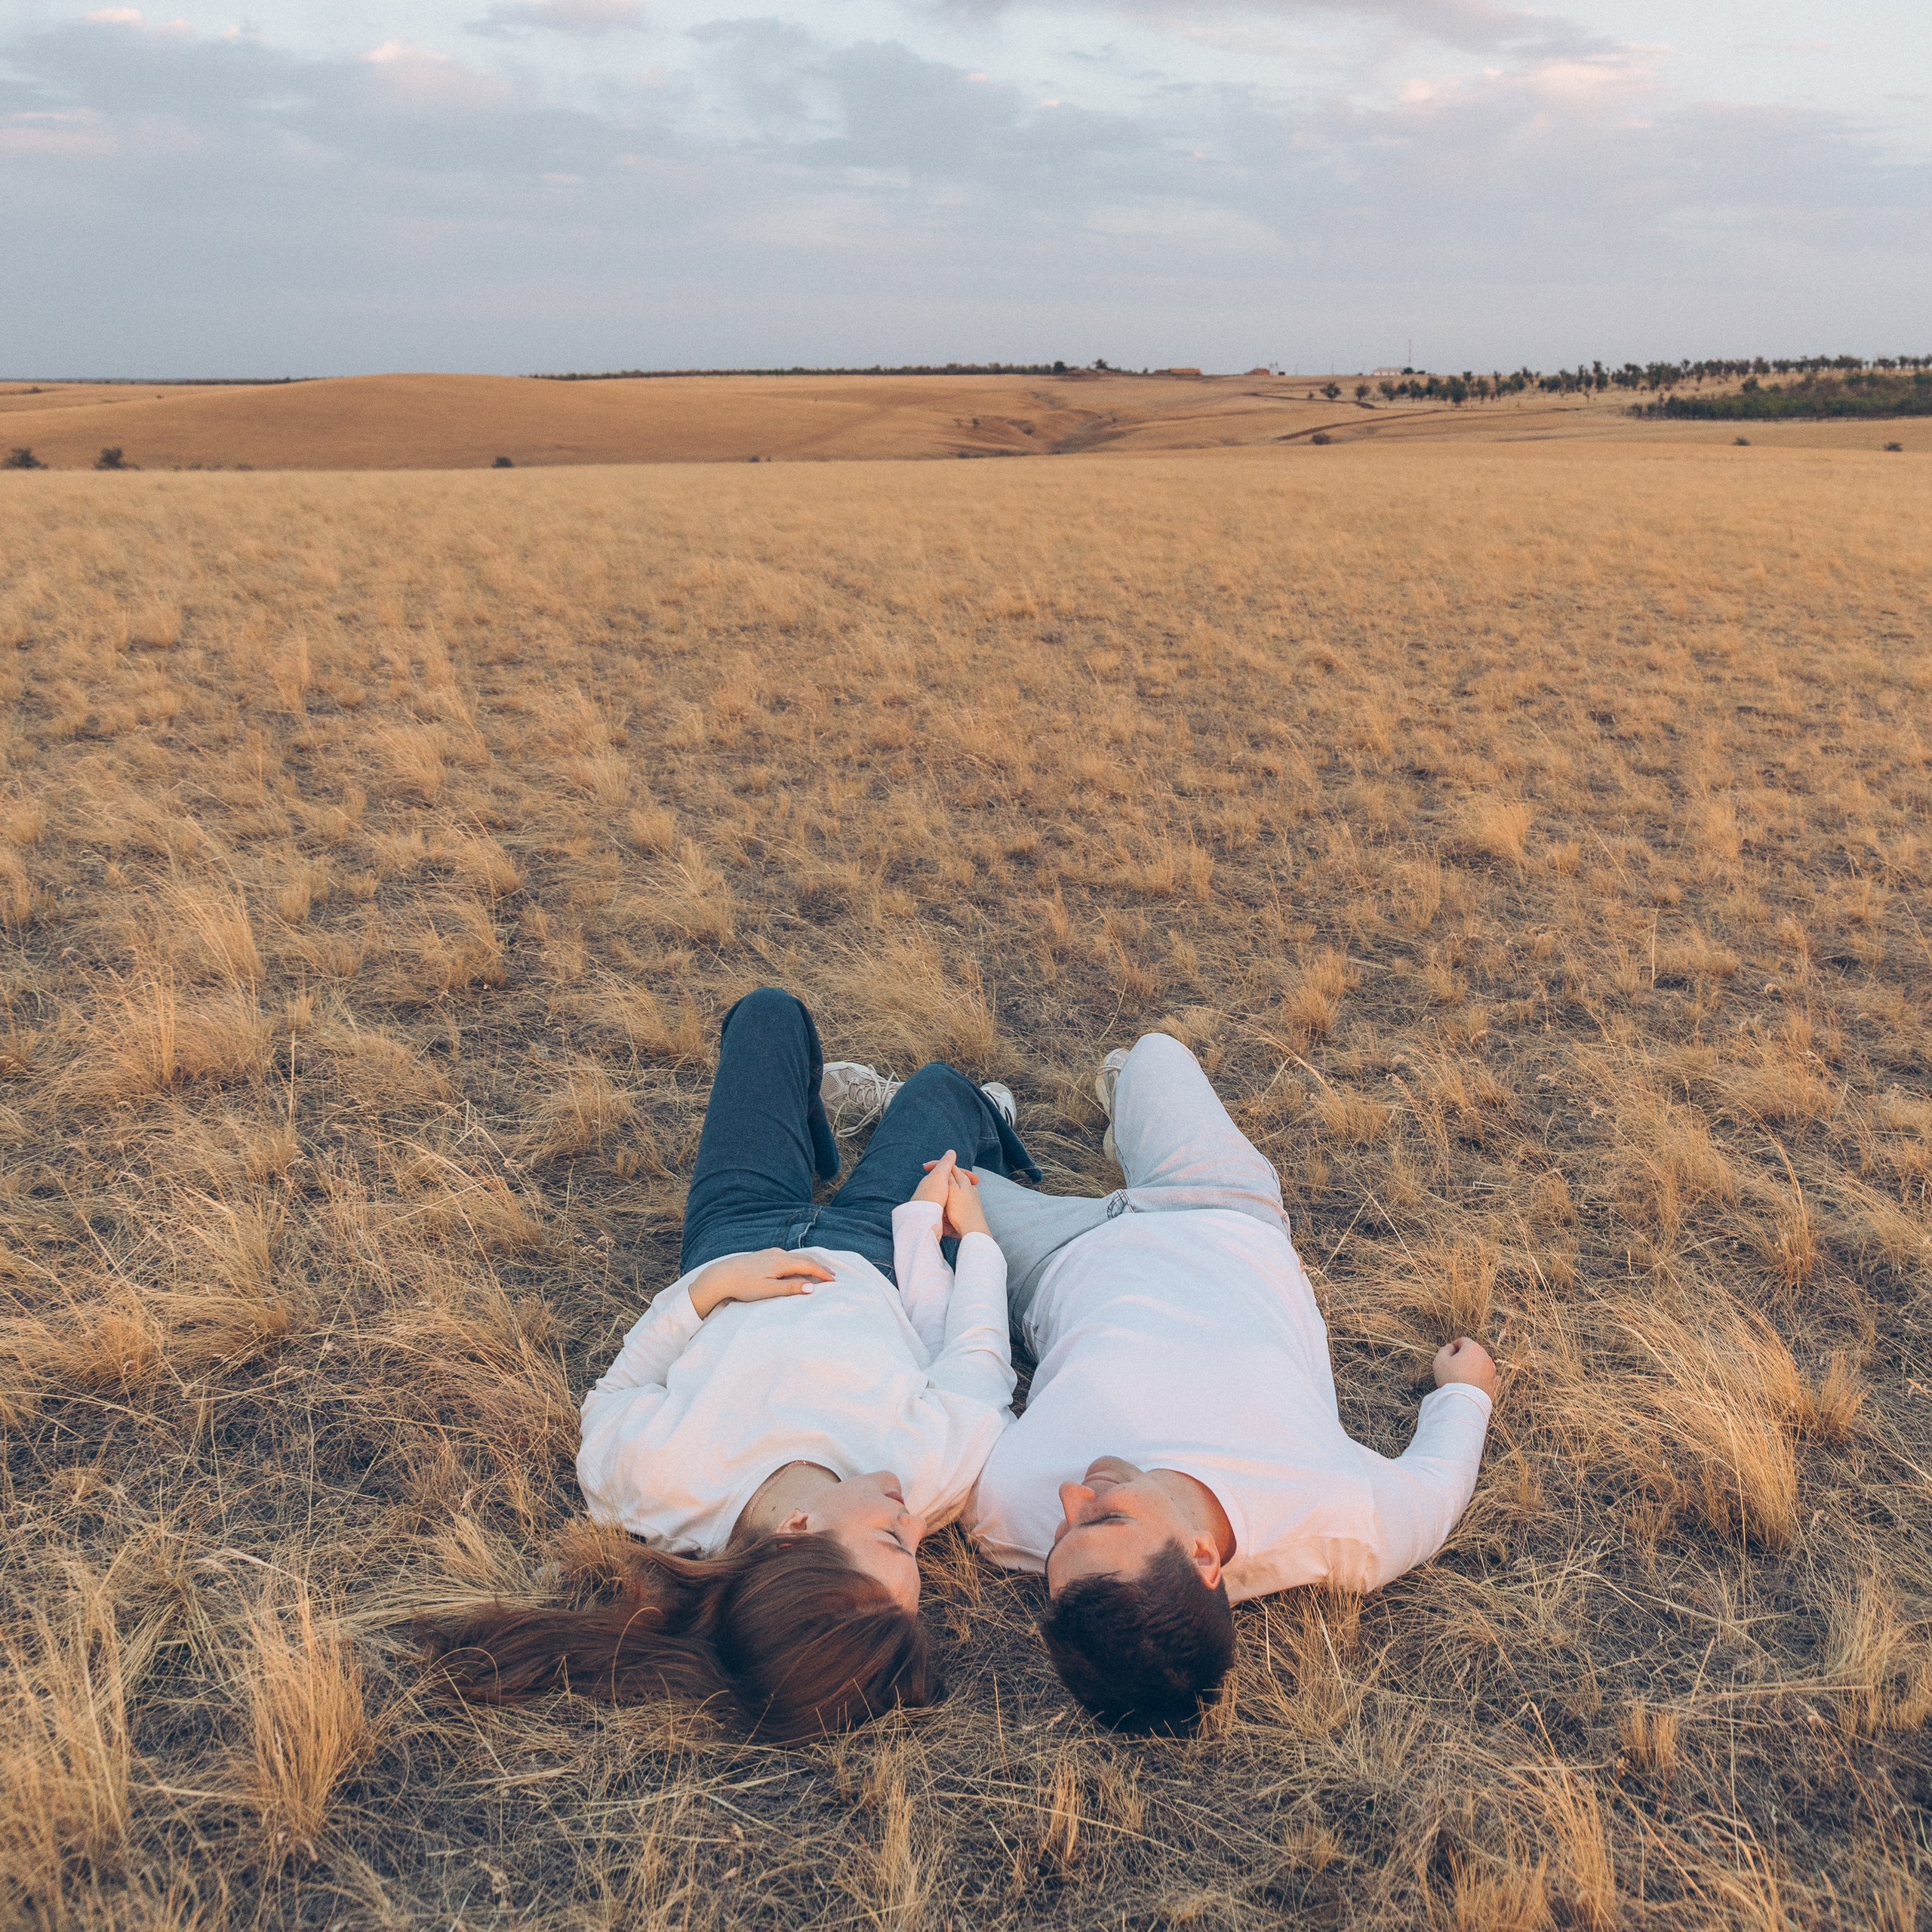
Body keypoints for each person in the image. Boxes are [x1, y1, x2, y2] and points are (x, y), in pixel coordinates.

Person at [422, 986, 1039, 1739]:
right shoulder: (931, 1473)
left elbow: (617, 1392)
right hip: (881, 1247)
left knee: (767, 1016)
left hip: (735, 1239)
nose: (915, 1524)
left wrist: (708, 1291)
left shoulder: (658, 1490)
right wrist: (967, 1231)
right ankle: (978, 1119)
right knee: (943, 1087)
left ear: (800, 1530)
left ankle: (825, 1131)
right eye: (916, 1551)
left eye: (890, 1539)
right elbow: (975, 1357)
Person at [963, 1032, 1497, 1734]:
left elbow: (963, 1388)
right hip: (1221, 1207)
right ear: (1204, 1556)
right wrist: (1466, 1392)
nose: (1070, 1498)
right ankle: (1126, 1118)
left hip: (1056, 1257)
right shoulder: (1341, 1524)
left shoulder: (1006, 1512)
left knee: (939, 1171)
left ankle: (1008, 1123)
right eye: (1108, 1515)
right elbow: (1438, 1486)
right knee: (1154, 1054)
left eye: (1062, 1538)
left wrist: (964, 1234)